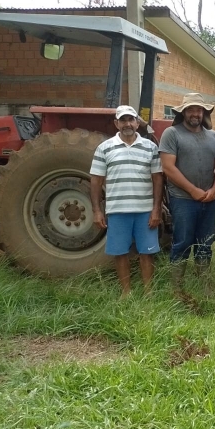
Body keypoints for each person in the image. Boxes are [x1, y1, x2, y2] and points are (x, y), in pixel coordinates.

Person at [90, 105, 163, 297]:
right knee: (120, 252)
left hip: (145, 210)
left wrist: (156, 209)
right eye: (123, 120)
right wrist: (97, 211)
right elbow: (96, 181)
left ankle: (149, 292)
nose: (127, 124)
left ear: (137, 123)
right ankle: (126, 292)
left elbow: (157, 179)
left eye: (131, 120)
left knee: (146, 252)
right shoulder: (104, 148)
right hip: (117, 210)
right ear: (116, 123)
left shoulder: (150, 147)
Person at [159, 93, 215, 293]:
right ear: (183, 112)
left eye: (199, 110)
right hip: (183, 200)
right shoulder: (172, 134)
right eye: (191, 110)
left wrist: (214, 190)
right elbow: (168, 168)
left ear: (203, 113)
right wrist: (193, 190)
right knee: (182, 242)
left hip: (209, 200)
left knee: (205, 243)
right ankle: (177, 288)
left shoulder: (212, 136)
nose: (195, 113)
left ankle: (204, 285)